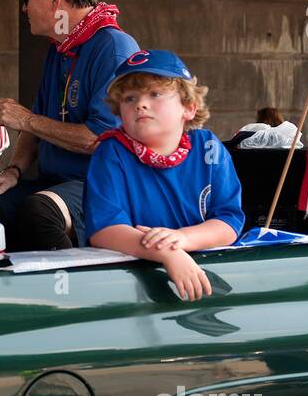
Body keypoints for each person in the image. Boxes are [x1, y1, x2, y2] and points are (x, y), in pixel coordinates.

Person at [0, 0, 139, 249]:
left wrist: (26, 118)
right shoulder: (60, 48)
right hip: (53, 184)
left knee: (38, 212)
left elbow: (98, 139)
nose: (24, 7)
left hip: (103, 186)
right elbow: (35, 128)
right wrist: (14, 171)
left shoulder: (114, 48)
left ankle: (72, 293)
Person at [85, 50, 245, 302]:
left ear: (189, 108)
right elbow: (105, 230)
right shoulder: (111, 152)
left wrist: (181, 239)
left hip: (207, 275)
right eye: (129, 99)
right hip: (132, 285)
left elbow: (229, 221)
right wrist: (168, 252)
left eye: (155, 94)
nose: (140, 104)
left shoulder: (208, 146)